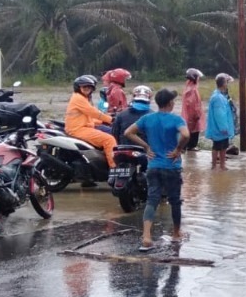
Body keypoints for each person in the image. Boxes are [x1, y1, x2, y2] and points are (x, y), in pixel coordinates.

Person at [125, 88, 189, 252]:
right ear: (170, 103)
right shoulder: (176, 119)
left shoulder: (148, 118)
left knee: (152, 199)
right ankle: (176, 233)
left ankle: (146, 237)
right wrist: (178, 149)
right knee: (175, 201)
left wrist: (146, 146)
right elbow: (186, 135)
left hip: (153, 166)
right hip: (172, 166)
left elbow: (128, 132)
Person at [65, 73, 117, 169]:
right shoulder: (78, 98)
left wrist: (103, 120)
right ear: (78, 87)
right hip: (79, 129)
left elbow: (89, 117)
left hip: (83, 127)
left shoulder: (82, 98)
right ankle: (114, 168)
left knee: (109, 133)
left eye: (89, 87)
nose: (87, 89)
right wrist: (111, 120)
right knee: (109, 139)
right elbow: (93, 112)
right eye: (84, 87)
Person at [205, 73, 236, 169]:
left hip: (220, 128)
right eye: (227, 82)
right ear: (223, 84)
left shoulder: (219, 96)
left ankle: (222, 165)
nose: (227, 84)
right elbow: (220, 115)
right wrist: (224, 127)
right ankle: (215, 165)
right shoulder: (218, 98)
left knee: (223, 147)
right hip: (220, 129)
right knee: (218, 147)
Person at [181, 68, 204, 151]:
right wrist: (197, 114)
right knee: (193, 130)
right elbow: (193, 104)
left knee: (189, 129)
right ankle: (190, 146)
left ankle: (186, 146)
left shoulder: (188, 87)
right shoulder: (192, 90)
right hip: (192, 115)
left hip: (187, 115)